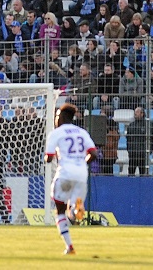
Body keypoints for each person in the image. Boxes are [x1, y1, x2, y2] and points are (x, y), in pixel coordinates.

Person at [44, 102, 98, 256]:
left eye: (56, 116)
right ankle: (76, 209)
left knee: (59, 210)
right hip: (81, 175)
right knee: (73, 206)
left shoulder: (56, 133)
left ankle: (70, 247)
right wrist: (81, 162)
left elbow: (49, 159)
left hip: (65, 174)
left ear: (60, 117)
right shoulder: (82, 132)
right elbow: (93, 154)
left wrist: (46, 157)